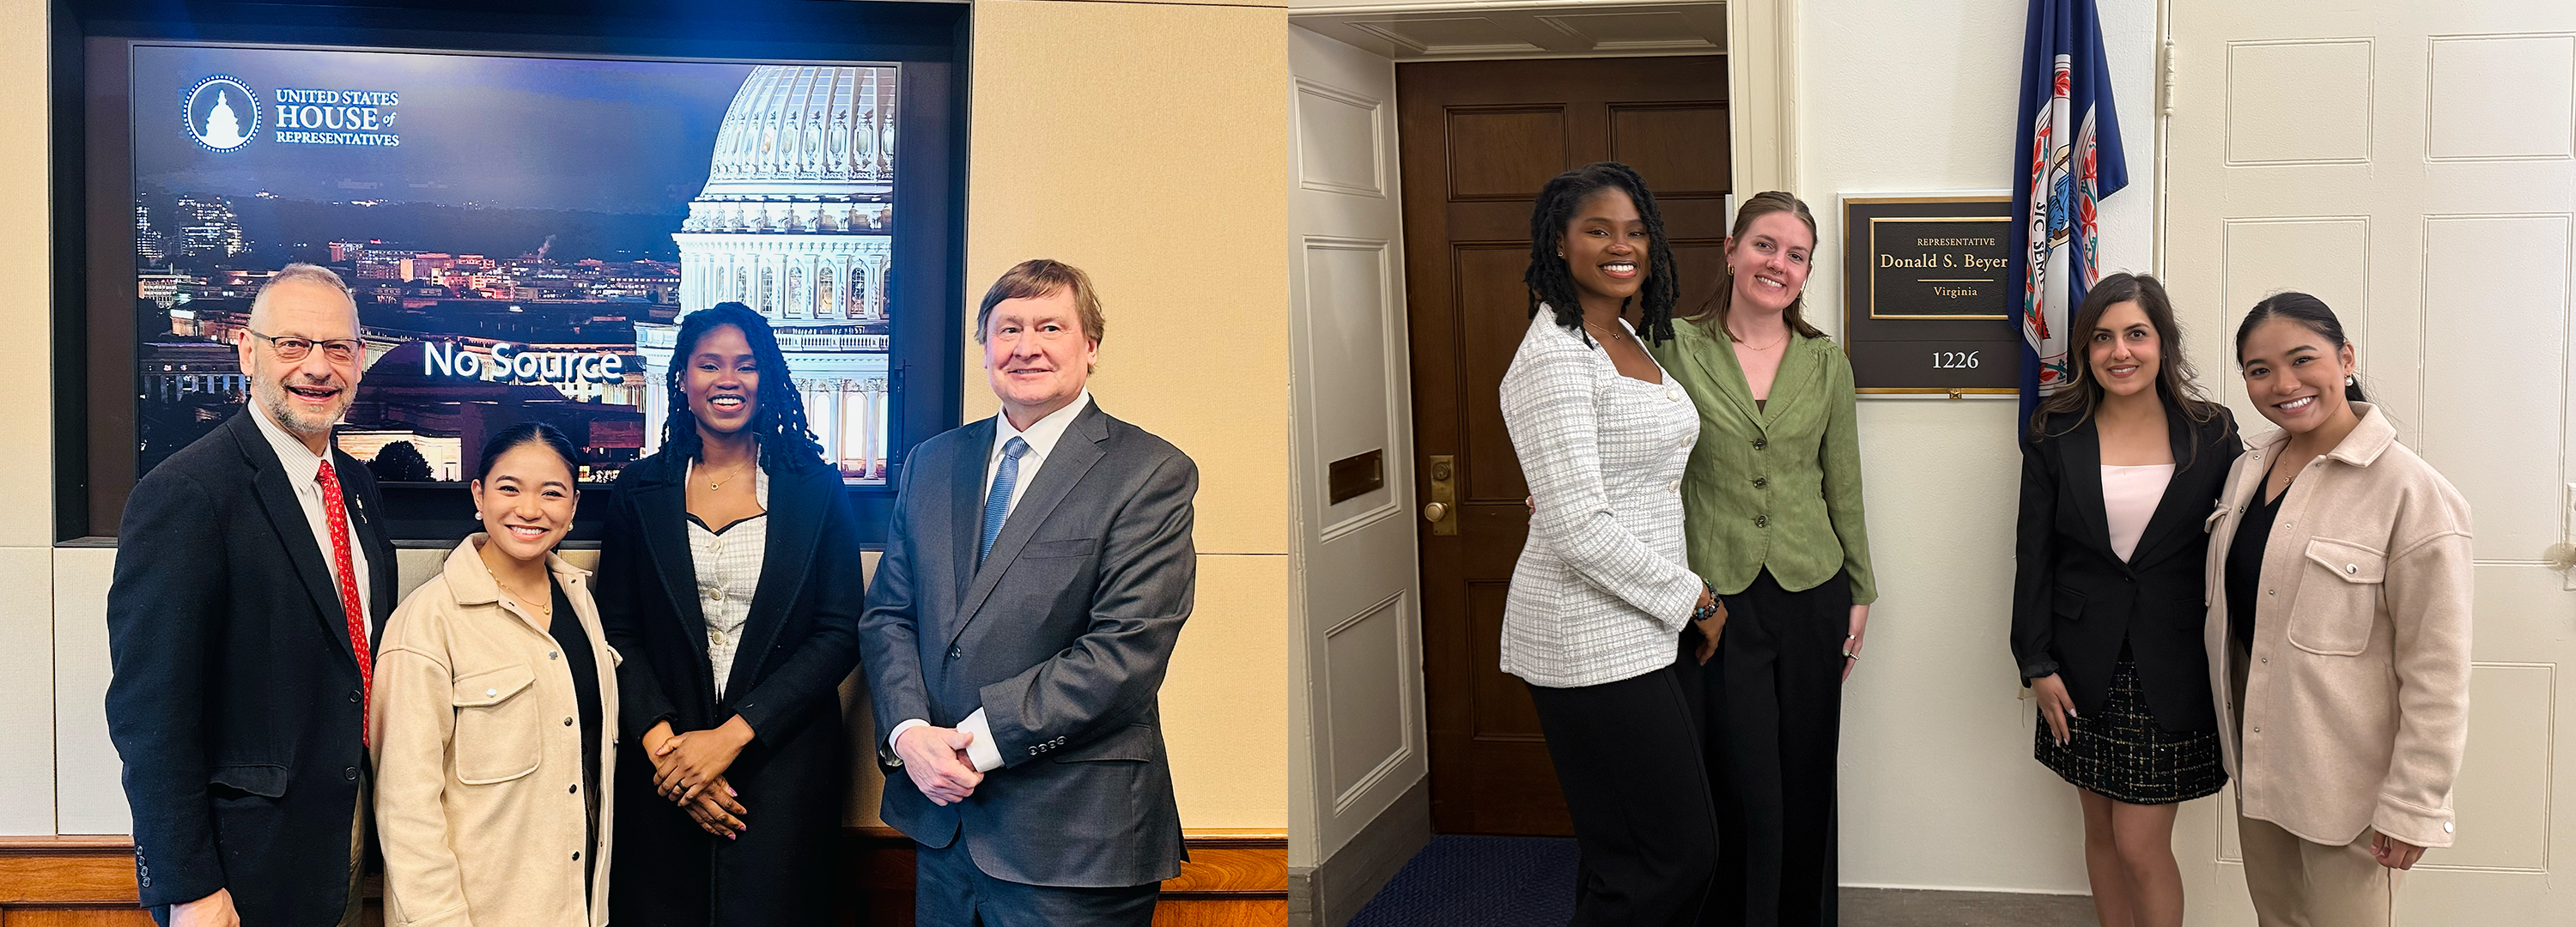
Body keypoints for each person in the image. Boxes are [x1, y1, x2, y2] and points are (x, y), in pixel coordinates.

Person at [859, 258, 1199, 926]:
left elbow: (1125, 653)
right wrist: (908, 736)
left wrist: (971, 745)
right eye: (1007, 329)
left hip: (1076, 839)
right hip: (943, 826)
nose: (1026, 346)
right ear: (985, 348)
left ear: (1090, 347)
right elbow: (888, 616)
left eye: (1050, 326)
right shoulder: (932, 463)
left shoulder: (1150, 472)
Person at [105, 264, 399, 927]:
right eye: (292, 344)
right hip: (241, 871)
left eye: (338, 348)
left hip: (346, 843)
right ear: (247, 350)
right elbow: (150, 715)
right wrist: (187, 886)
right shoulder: (188, 493)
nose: (317, 368)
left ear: (360, 361)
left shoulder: (357, 488)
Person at [595, 302, 868, 927]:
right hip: (662, 773)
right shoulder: (639, 490)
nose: (728, 380)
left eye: (746, 367)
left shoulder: (815, 488)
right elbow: (619, 634)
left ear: (766, 379)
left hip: (783, 771)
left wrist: (731, 737)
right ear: (682, 378)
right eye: (709, 365)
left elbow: (838, 632)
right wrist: (672, 757)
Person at [1500, 163, 1723, 927]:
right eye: (1599, 230)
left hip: (1642, 628)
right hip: (1584, 635)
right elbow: (1575, 525)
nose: (1621, 246)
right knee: (1674, 855)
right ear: (1559, 244)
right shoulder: (1553, 356)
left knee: (1623, 855)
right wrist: (1692, 596)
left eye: (1635, 231)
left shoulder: (1622, 332)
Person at [1643, 190, 1871, 927]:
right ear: (1733, 250)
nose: (1779, 263)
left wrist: (1862, 590)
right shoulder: (1670, 346)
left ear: (1807, 273)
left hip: (1814, 589)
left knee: (1807, 775)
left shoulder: (1826, 361)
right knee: (1738, 783)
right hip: (1715, 597)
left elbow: (1845, 478)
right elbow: (1633, 448)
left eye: (1796, 254)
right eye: (1766, 245)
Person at [2206, 293, 2471, 926]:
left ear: (2345, 357)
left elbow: (2438, 672)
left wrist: (2414, 804)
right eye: (2260, 370)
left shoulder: (2413, 495)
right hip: (2262, 768)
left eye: (2303, 360)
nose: (2284, 384)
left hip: (2350, 792)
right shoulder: (2246, 472)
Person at [2009, 273, 2238, 927]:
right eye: (2102, 338)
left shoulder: (2213, 433)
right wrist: (2036, 662)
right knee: (2103, 834)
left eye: (2136, 334)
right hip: (2080, 665)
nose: (2120, 351)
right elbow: (2035, 555)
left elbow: (2242, 545)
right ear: (2084, 350)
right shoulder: (2056, 430)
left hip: (2173, 666)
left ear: (2163, 342)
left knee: (2142, 844)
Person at [372, 423, 618, 926]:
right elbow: (405, 810)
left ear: (573, 508)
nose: (530, 510)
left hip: (578, 907)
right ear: (479, 496)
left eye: (552, 493)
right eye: (510, 488)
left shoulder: (579, 603)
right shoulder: (427, 623)